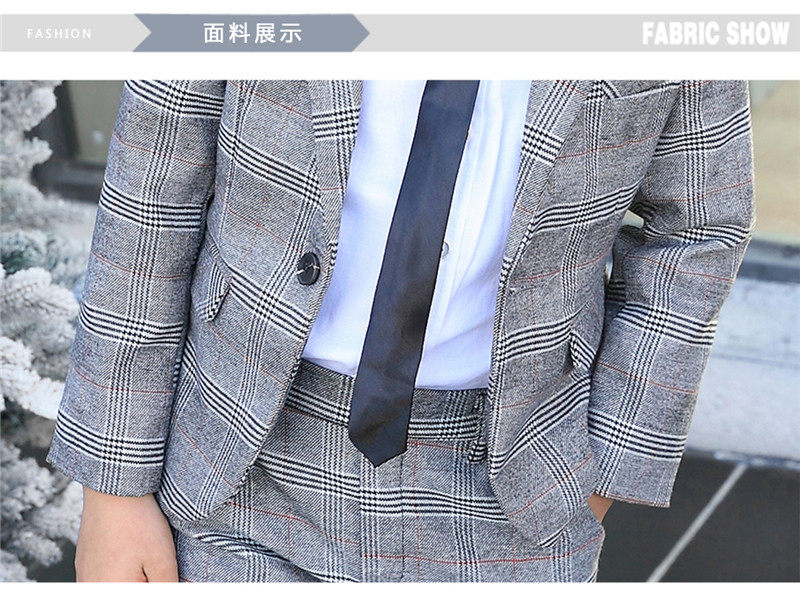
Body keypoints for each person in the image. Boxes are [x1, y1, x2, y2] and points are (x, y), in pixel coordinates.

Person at [47, 79, 755, 582]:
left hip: (514, 480)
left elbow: (698, 225)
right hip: (238, 458)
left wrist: (605, 466)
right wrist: (114, 491)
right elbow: (154, 183)